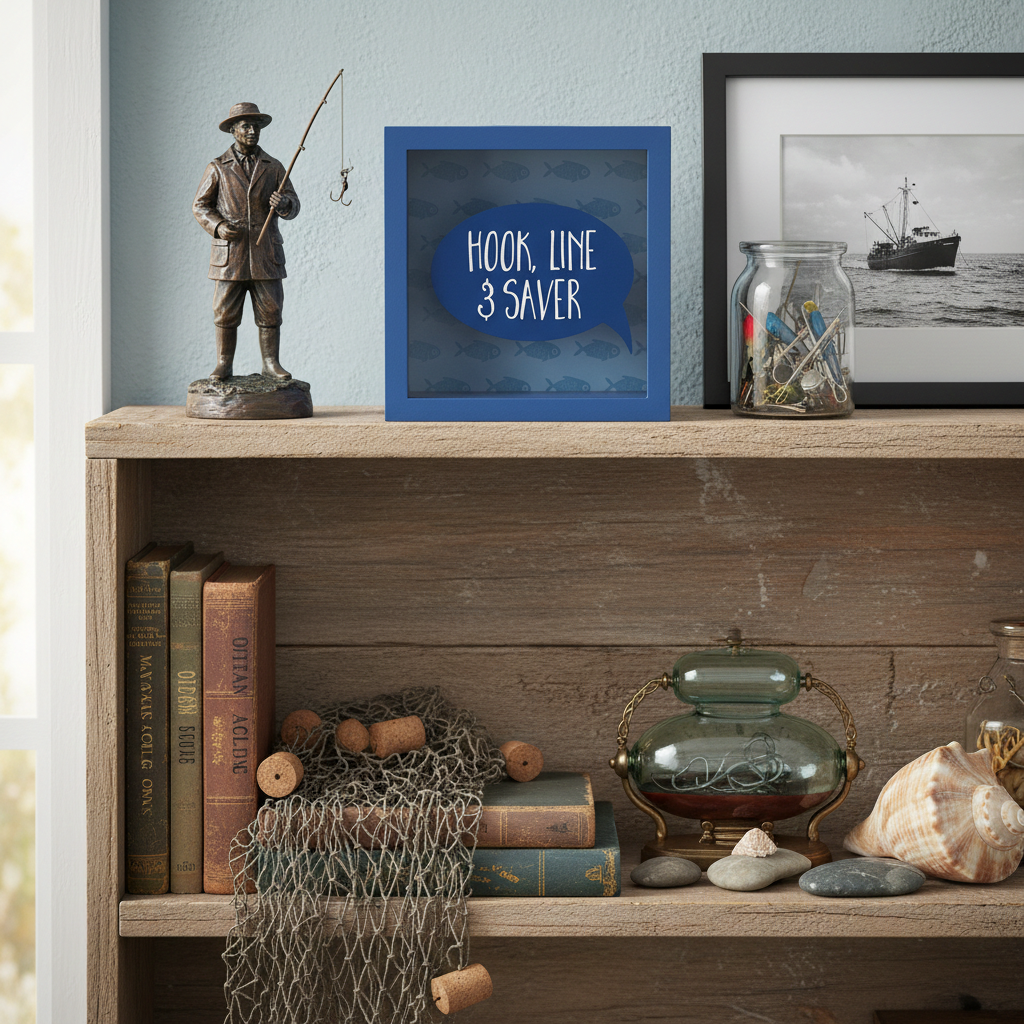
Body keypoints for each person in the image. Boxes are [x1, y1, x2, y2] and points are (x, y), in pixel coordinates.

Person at [193, 102, 300, 381]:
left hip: (265, 253)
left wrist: (284, 202)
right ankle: (223, 364)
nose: (252, 131)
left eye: (256, 126)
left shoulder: (274, 167)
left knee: (271, 310)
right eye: (245, 126)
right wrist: (218, 226)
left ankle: (271, 363)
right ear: (233, 131)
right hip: (231, 255)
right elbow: (200, 206)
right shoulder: (217, 167)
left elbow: (293, 204)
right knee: (225, 312)